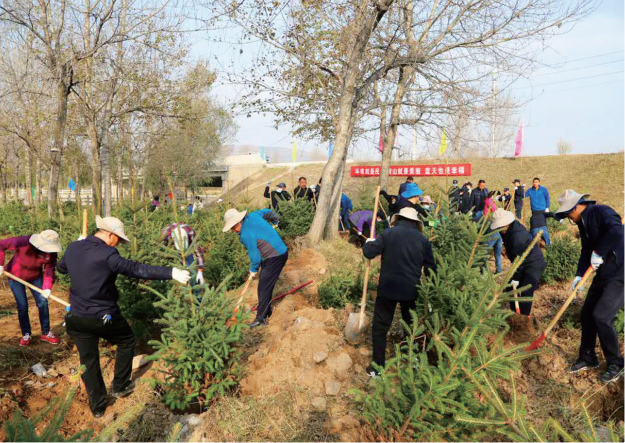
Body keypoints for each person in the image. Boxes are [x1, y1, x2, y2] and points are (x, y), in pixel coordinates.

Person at [58, 216, 190, 417]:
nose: (118, 243)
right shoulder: (108, 254)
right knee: (126, 340)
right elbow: (136, 269)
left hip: (77, 317)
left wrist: (74, 247)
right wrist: (171, 272)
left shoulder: (74, 247)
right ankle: (120, 385)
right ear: (109, 234)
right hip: (104, 317)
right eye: (118, 239)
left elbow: (61, 268)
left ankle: (98, 407)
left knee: (89, 360)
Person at [554, 190, 624, 383]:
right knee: (587, 314)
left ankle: (616, 363)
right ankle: (587, 357)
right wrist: (579, 274)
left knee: (602, 316)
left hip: (620, 272)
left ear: (576, 207)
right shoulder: (582, 222)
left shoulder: (601, 211)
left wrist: (599, 251)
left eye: (568, 213)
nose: (569, 218)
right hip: (603, 272)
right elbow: (586, 250)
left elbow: (617, 231)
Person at [362, 207, 436, 376]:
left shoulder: (388, 234)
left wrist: (369, 243)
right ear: (416, 223)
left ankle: (377, 368)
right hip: (411, 290)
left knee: (380, 326)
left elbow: (369, 253)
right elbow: (431, 269)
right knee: (410, 325)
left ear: (398, 219)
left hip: (388, 287)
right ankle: (413, 361)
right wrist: (432, 291)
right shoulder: (423, 240)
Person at [223, 208, 288, 327]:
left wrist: (253, 270)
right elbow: (268, 212)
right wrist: (275, 222)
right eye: (231, 228)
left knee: (263, 288)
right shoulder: (253, 215)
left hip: (275, 257)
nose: (233, 231)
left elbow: (255, 257)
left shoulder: (245, 234)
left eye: (233, 227)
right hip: (278, 253)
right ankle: (266, 311)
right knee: (265, 285)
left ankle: (261, 319)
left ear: (239, 221)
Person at [0, 230, 62, 347]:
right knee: (22, 305)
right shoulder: (24, 241)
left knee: (43, 302)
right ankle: (26, 334)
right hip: (15, 276)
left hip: (35, 277)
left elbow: (49, 270)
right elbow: (1, 245)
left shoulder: (52, 253)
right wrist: (0, 264)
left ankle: (46, 333)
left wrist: (47, 287)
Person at [491, 209, 546, 316]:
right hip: (521, 262)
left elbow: (520, 260)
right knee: (510, 288)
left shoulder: (517, 236)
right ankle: (514, 314)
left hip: (534, 263)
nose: (499, 229)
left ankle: (523, 319)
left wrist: (516, 278)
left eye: (500, 226)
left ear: (507, 223)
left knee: (525, 291)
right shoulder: (508, 229)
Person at [524, 178, 552, 245]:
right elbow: (523, 195)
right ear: (532, 183)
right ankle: (533, 243)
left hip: (543, 210)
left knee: (543, 226)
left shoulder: (543, 189)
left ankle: (547, 242)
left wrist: (547, 207)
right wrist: (520, 188)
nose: (535, 183)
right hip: (534, 211)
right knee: (534, 228)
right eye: (534, 182)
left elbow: (547, 198)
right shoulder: (530, 190)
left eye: (536, 182)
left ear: (539, 183)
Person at [482, 192, 503, 274]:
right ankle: (487, 271)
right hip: (492, 227)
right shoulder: (490, 201)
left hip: (494, 228)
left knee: (490, 252)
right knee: (486, 251)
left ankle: (486, 271)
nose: (498, 198)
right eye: (498, 196)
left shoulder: (489, 201)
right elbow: (496, 212)